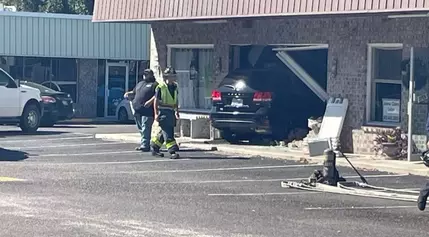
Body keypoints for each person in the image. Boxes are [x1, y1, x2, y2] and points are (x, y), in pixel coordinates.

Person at [150, 66, 180, 159]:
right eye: (170, 76)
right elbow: (156, 101)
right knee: (168, 132)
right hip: (163, 112)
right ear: (166, 77)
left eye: (173, 76)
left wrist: (177, 111)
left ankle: (155, 147)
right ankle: (172, 151)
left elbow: (176, 100)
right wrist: (156, 114)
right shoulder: (161, 87)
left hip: (171, 112)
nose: (172, 78)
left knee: (165, 132)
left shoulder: (175, 86)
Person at [125, 69, 158, 152]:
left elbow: (157, 95)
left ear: (151, 75)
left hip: (148, 111)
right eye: (144, 74)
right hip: (137, 110)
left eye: (147, 74)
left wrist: (150, 101)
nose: (145, 76)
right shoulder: (140, 84)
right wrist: (128, 94)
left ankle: (145, 145)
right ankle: (144, 143)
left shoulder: (155, 84)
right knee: (141, 128)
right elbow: (134, 92)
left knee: (145, 127)